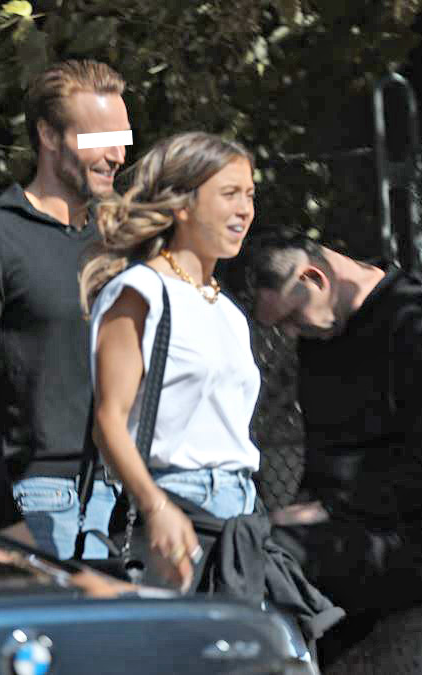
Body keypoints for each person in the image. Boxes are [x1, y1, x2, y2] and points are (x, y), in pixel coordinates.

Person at [239, 233, 422, 663]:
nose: (290, 332)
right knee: (240, 549)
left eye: (291, 318)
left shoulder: (418, 322)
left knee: (268, 563)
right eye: (280, 326)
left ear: (314, 278)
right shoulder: (322, 333)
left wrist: (330, 509)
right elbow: (326, 458)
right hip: (346, 531)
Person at [0, 60, 131, 558]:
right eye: (100, 139)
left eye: (122, 138)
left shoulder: (120, 239)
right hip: (47, 502)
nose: (116, 154)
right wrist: (6, 521)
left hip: (133, 497)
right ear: (49, 135)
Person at [79, 131, 260, 591]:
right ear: (183, 205)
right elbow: (108, 422)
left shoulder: (227, 310)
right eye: (229, 194)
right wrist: (156, 506)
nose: (244, 209)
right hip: (174, 506)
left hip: (240, 514)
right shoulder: (140, 292)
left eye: (250, 195)